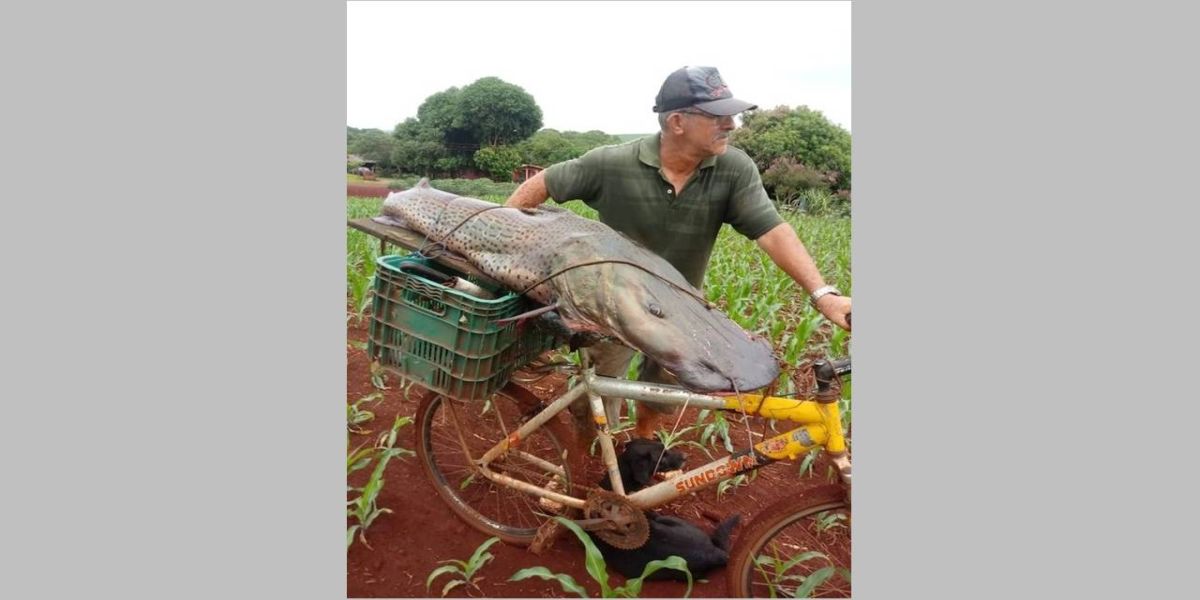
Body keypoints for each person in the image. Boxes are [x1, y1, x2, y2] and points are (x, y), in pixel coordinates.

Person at [505, 65, 851, 443]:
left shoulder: (733, 169)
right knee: (600, 390)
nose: (731, 124)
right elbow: (544, 183)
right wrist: (509, 236)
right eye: (718, 116)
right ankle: (590, 456)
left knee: (665, 389)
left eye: (731, 115)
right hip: (612, 305)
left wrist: (823, 294)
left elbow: (772, 231)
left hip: (681, 309)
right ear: (677, 122)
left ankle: (642, 442)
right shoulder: (611, 163)